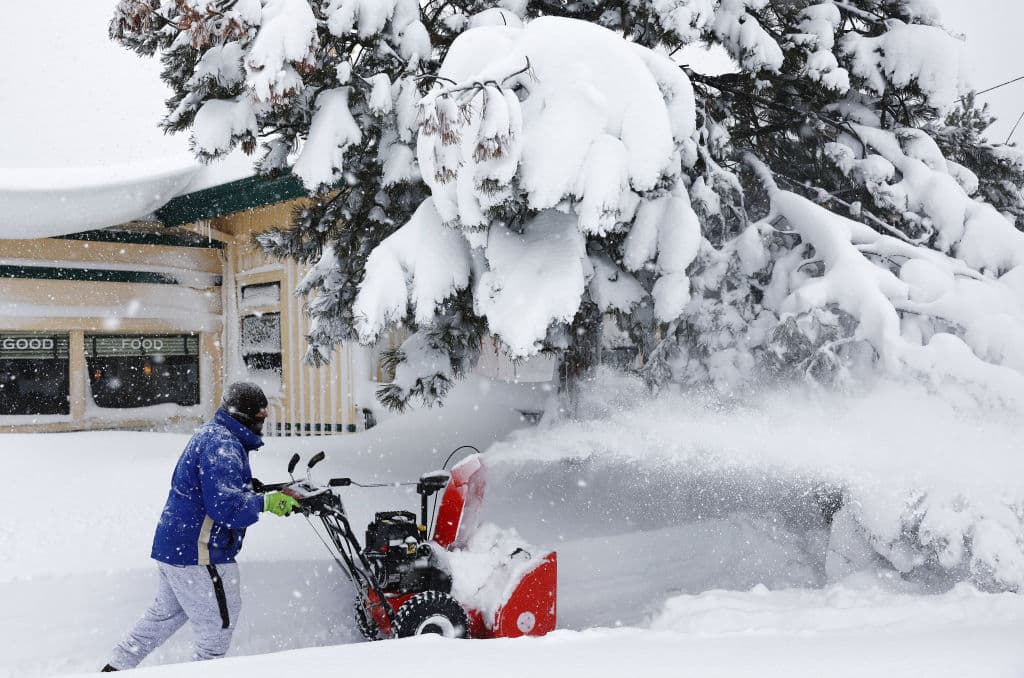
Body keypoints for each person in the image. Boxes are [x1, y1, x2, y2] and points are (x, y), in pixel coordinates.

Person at [101, 382, 300, 672]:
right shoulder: (223, 445)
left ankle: (113, 668)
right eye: (260, 418)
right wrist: (265, 504)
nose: (263, 423)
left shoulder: (216, 435)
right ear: (244, 416)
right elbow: (226, 508)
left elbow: (216, 490)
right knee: (217, 631)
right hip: (200, 552)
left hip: (176, 548)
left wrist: (253, 491)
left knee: (161, 619)